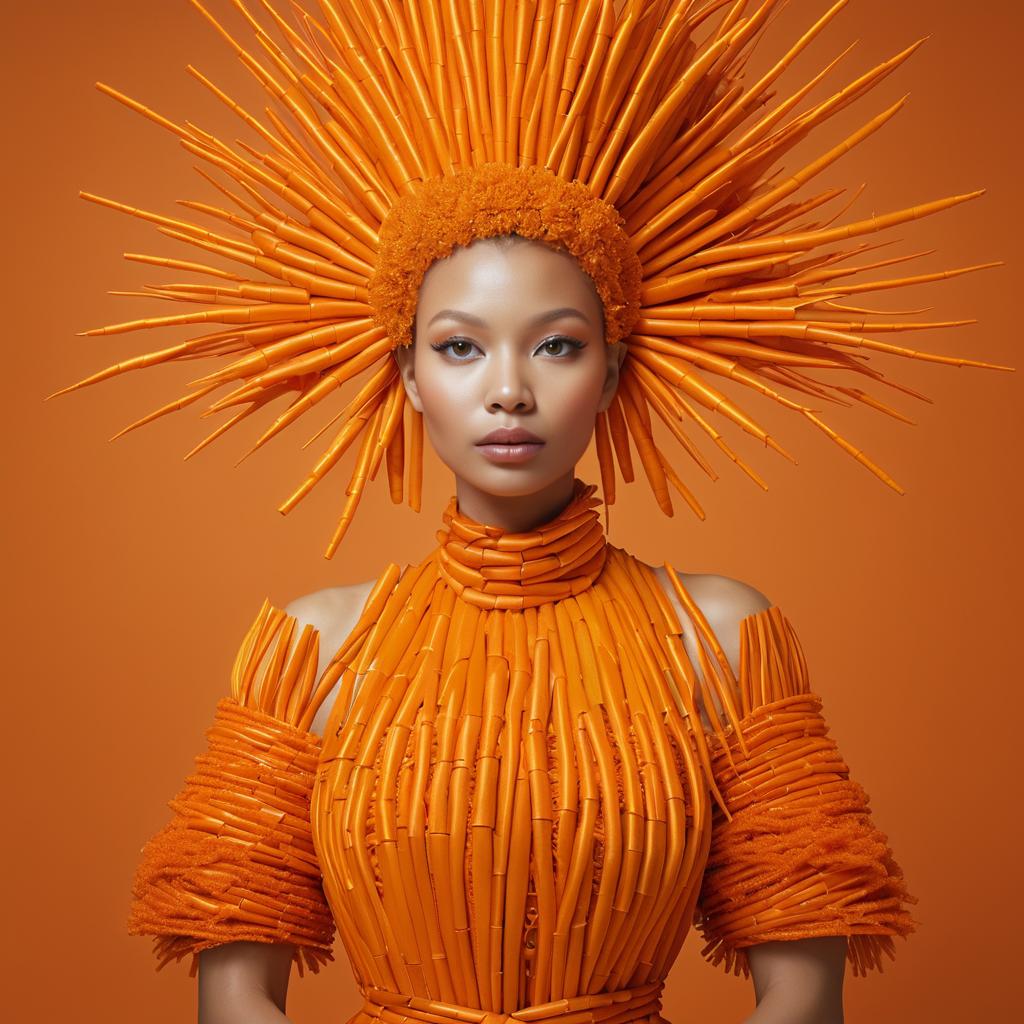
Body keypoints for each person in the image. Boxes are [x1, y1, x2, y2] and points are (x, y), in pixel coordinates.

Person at [50, 2, 1011, 1022]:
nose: (509, 389)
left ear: (612, 371)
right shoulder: (310, 652)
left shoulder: (724, 641)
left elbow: (803, 992)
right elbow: (233, 993)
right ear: (407, 376)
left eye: (555, 344)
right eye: (460, 346)